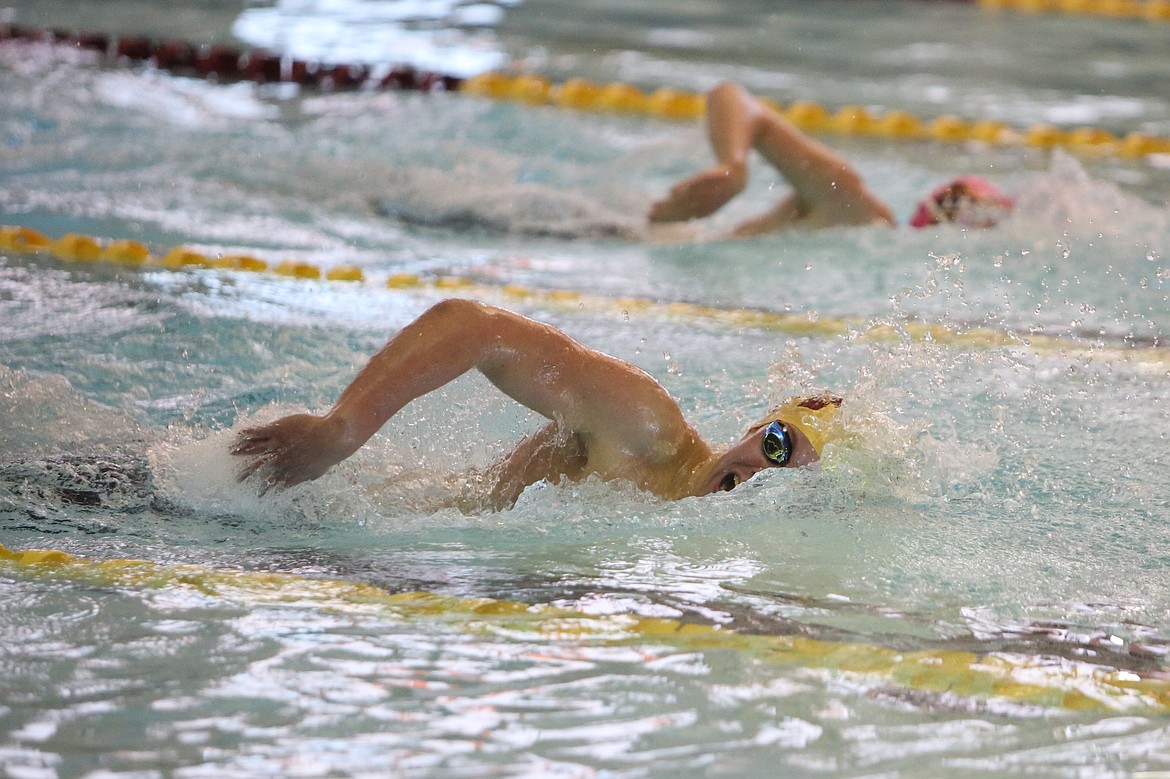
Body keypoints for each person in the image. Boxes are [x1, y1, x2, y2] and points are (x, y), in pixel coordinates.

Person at [231, 298, 842, 509]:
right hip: (309, 497)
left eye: (792, 476)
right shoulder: (644, 431)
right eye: (777, 444)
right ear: (757, 426)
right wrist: (341, 432)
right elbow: (475, 326)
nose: (765, 472)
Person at [648, 81, 1012, 236]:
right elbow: (730, 96)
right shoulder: (856, 209)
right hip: (644, 236)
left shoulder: (861, 219)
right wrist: (732, 168)